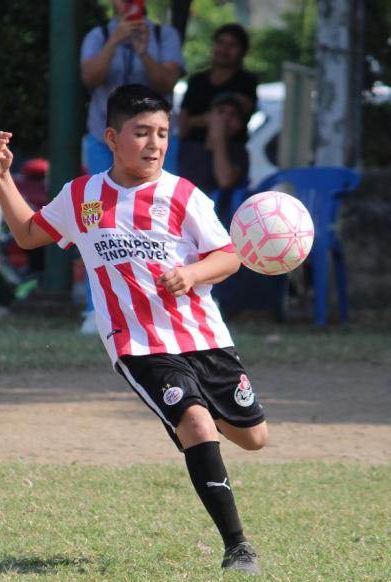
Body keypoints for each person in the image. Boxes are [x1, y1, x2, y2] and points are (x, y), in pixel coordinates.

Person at [0, 84, 268, 575]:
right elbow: (30, 234)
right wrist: (2, 178)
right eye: (142, 133)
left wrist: (193, 274)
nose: (154, 144)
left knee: (254, 438)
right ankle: (238, 547)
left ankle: (197, 413)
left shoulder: (184, 195)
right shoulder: (82, 196)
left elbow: (229, 255)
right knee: (197, 423)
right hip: (138, 344)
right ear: (112, 138)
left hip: (206, 339)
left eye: (162, 133)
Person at [79, 0, 185, 334]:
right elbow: (89, 76)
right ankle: (95, 308)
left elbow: (167, 81)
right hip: (102, 140)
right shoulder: (98, 34)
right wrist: (115, 41)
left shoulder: (163, 35)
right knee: (98, 219)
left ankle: (161, 301)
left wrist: (142, 51)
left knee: (161, 217)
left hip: (153, 142)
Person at [177, 22, 257, 193]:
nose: (224, 49)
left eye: (232, 45)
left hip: (230, 151)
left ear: (242, 51)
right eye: (220, 42)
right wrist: (209, 120)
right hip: (193, 152)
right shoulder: (197, 81)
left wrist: (213, 129)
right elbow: (182, 125)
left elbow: (240, 114)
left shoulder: (246, 81)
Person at [183, 92, 250, 225]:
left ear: (239, 124)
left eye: (233, 115)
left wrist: (219, 138)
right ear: (208, 117)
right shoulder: (186, 148)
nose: (225, 118)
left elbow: (225, 181)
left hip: (215, 222)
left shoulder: (240, 152)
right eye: (221, 111)